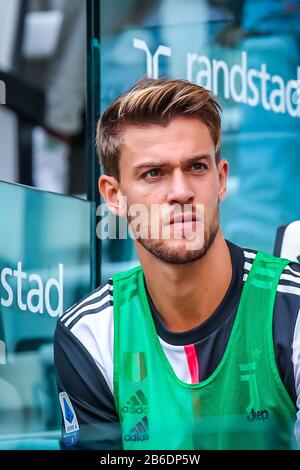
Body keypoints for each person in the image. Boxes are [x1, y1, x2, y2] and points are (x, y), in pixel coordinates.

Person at [54, 77, 300, 450]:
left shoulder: (292, 309)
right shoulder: (92, 334)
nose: (181, 191)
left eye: (197, 167)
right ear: (114, 196)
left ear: (221, 180)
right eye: (154, 173)